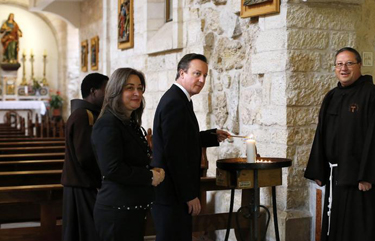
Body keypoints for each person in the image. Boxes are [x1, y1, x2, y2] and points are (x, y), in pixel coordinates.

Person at [151, 53, 230, 241]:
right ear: (182, 73)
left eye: (204, 75)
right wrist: (189, 195)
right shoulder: (175, 102)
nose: (202, 80)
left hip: (174, 193)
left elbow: (182, 140)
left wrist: (211, 136)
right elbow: (175, 154)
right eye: (197, 74)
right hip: (172, 194)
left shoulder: (180, 99)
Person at [304, 47, 375, 241]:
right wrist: (319, 171)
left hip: (359, 180)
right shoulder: (332, 96)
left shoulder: (370, 94)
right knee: (334, 227)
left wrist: (367, 175)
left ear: (359, 65)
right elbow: (321, 134)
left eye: (349, 63)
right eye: (339, 64)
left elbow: (373, 136)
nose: (343, 68)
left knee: (358, 230)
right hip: (336, 176)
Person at [91, 68, 165, 241]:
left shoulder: (127, 122)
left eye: (140, 88)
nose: (136, 93)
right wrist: (149, 176)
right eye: (130, 88)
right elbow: (112, 169)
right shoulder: (107, 124)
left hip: (130, 209)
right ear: (116, 91)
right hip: (116, 212)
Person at [61, 73, 109, 241]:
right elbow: (85, 156)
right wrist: (102, 178)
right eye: (106, 90)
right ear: (93, 91)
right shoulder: (84, 115)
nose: (108, 94)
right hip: (82, 184)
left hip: (82, 183)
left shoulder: (86, 113)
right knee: (86, 232)